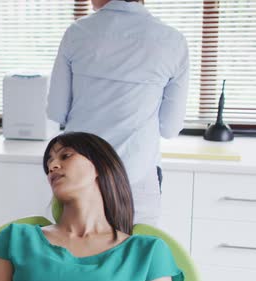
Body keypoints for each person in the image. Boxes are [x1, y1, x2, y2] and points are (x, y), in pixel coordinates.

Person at [0, 132, 184, 281]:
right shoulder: (16, 239)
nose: (52, 167)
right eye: (49, 163)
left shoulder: (148, 253)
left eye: (65, 156)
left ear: (99, 166)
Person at [46, 0, 190, 225]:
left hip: (79, 174)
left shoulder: (77, 33)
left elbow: (57, 111)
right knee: (135, 255)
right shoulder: (172, 41)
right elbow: (170, 128)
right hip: (137, 178)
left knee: (77, 253)